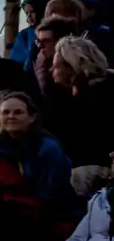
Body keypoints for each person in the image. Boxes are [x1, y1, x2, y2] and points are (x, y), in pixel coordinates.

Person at [0, 90, 73, 241]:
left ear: (32, 117)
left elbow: (51, 193)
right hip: (3, 208)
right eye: (5, 112)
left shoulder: (47, 148)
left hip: (40, 212)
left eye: (18, 112)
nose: (11, 116)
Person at [43, 36, 114, 196]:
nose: (50, 70)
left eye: (55, 66)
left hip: (91, 173)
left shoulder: (92, 98)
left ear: (71, 66)